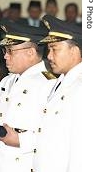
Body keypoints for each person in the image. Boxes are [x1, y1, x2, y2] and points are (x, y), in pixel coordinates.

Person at [0, 21, 56, 172]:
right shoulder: (9, 80)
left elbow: (57, 134)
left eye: (10, 51)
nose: (5, 56)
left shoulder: (48, 84)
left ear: (30, 52)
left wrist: (21, 140)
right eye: (4, 51)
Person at [33, 15, 82, 172]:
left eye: (54, 49)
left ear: (74, 51)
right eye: (49, 49)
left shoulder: (83, 88)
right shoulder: (61, 81)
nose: (48, 56)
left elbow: (82, 150)